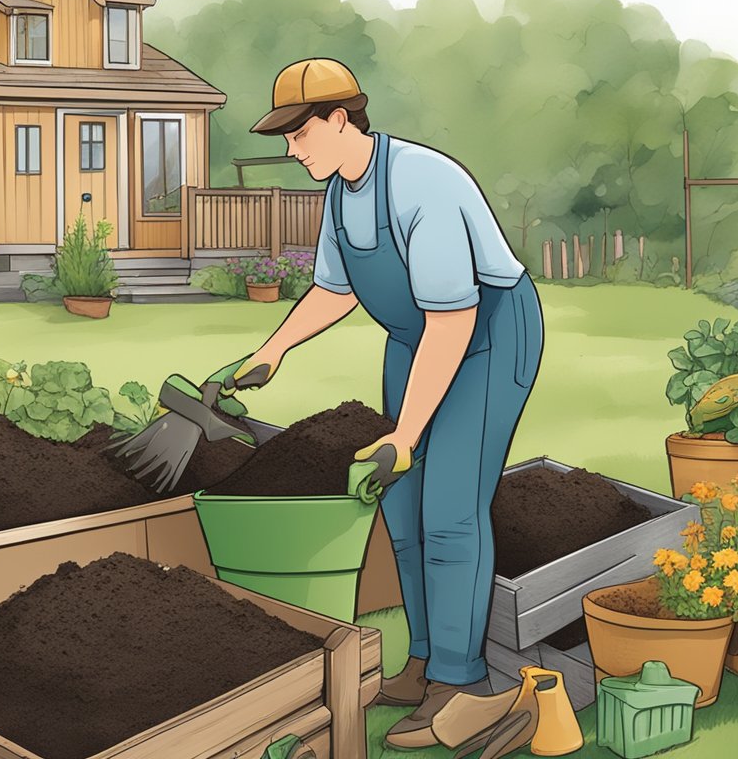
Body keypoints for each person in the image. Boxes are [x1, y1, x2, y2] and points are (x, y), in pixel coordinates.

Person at [226, 58, 545, 748]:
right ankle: (426, 661)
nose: (291, 148)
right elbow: (336, 290)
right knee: (399, 502)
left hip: (488, 333)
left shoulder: (421, 184)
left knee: (452, 507)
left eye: (299, 131)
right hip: (416, 336)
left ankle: (464, 686)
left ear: (341, 118)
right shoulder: (341, 191)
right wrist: (272, 350)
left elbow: (456, 319)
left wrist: (407, 430)